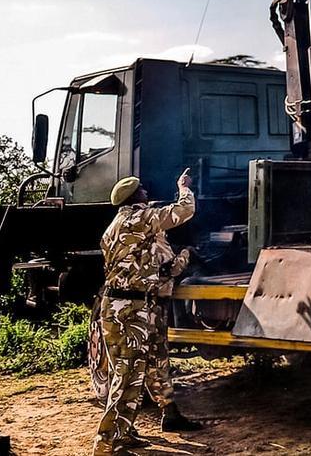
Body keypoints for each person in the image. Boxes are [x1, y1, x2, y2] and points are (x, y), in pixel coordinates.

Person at [93, 171, 201, 456]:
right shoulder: (139, 219)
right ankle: (107, 444)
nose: (146, 192)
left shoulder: (114, 229)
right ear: (134, 197)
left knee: (141, 367)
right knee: (128, 376)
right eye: (142, 190)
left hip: (123, 307)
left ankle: (128, 432)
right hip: (132, 310)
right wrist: (183, 188)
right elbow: (184, 210)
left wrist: (180, 259)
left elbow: (155, 267)